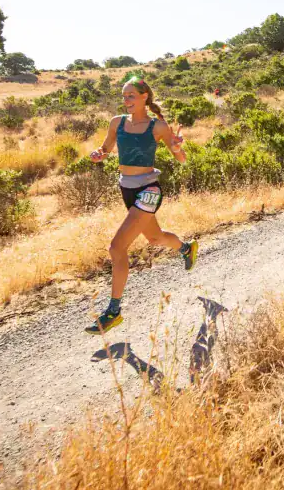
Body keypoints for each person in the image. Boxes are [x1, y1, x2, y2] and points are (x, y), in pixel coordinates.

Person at [84, 76, 199, 335]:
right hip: (126, 188)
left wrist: (179, 148)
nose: (126, 101)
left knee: (117, 247)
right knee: (156, 238)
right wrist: (97, 155)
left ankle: (113, 311)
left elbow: (180, 158)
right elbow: (104, 149)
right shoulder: (117, 123)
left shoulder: (158, 126)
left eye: (131, 96)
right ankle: (185, 248)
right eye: (124, 97)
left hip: (148, 189)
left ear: (144, 96)